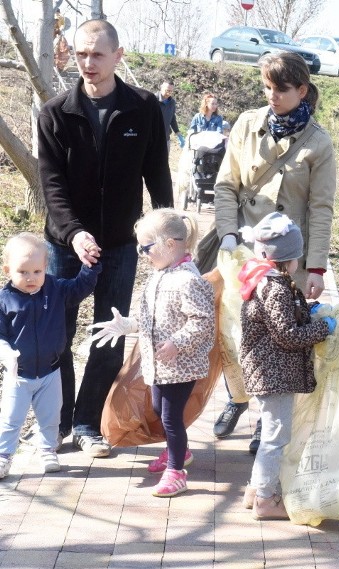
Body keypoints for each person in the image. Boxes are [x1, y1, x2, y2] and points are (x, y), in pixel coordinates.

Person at [37, 19, 173, 459]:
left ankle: (86, 423)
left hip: (119, 244)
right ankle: (57, 424)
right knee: (56, 333)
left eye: (97, 54)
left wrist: (168, 233)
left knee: (109, 334)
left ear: (118, 55)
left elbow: (158, 175)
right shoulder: (55, 113)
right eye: (81, 54)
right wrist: (75, 234)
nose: (88, 63)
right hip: (64, 246)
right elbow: (51, 186)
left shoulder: (144, 107)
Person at [212, 51, 336, 449]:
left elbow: (320, 209)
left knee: (279, 341)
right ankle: (237, 396)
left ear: (302, 90)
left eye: (281, 89)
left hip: (286, 258)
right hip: (242, 250)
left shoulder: (318, 143)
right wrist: (228, 234)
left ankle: (269, 422)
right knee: (230, 334)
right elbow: (226, 185)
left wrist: (315, 268)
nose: (272, 96)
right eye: (266, 87)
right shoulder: (247, 124)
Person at [88, 209, 215, 497]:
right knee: (159, 410)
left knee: (169, 417)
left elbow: (203, 320)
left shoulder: (188, 280)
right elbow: (149, 318)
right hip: (159, 365)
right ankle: (177, 452)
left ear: (170, 244)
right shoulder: (159, 275)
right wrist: (127, 325)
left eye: (146, 248)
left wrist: (178, 343)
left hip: (181, 364)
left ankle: (176, 471)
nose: (142, 253)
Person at [236, 212, 335, 519]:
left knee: (271, 432)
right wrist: (324, 328)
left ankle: (254, 490)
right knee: (276, 437)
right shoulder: (276, 287)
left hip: (267, 369)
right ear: (289, 259)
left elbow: (282, 319)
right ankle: (266, 500)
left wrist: (308, 312)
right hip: (273, 373)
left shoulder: (264, 280)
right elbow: (287, 334)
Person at [0, 233, 101, 479]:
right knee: (11, 418)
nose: (31, 278)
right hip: (18, 374)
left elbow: (79, 288)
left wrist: (91, 266)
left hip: (50, 371)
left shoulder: (54, 289)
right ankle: (3, 457)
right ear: (7, 270)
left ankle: (47, 450)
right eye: (23, 272)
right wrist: (5, 352)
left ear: (46, 267)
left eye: (37, 271)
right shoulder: (5, 300)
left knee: (51, 415)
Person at [158, 80, 184, 152]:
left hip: (166, 138)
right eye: (167, 90)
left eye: (171, 91)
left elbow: (172, 118)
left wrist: (178, 133)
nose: (168, 93)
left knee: (164, 162)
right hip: (153, 138)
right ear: (161, 87)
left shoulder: (172, 102)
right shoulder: (153, 100)